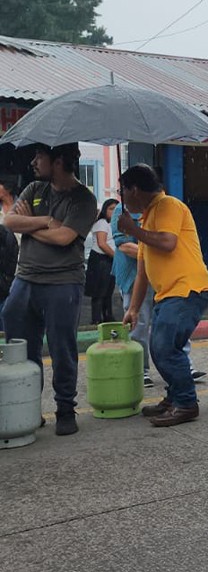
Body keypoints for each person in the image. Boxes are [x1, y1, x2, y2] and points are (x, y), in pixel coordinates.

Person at [2, 144, 98, 436]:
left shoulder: (84, 199)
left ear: (58, 161)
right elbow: (10, 220)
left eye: (39, 156)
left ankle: (65, 408)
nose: (33, 162)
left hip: (62, 282)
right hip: (25, 278)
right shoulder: (34, 188)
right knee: (20, 349)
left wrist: (30, 226)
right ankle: (29, 409)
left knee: (62, 348)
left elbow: (64, 237)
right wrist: (44, 220)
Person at [119, 164, 208, 427]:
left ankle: (185, 403)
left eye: (122, 190)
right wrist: (134, 308)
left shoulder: (169, 205)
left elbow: (168, 242)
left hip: (186, 289)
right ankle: (175, 397)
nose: (121, 196)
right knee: (161, 349)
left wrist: (132, 230)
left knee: (164, 347)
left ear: (133, 189)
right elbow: (142, 272)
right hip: (169, 293)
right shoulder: (148, 217)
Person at [110, 201, 154, 388]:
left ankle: (186, 365)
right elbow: (124, 245)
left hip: (159, 272)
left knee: (170, 316)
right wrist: (155, 252)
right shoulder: (121, 211)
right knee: (138, 321)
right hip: (132, 274)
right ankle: (140, 369)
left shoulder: (160, 208)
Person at [84, 198, 118, 324]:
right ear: (105, 210)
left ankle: (108, 317)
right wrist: (116, 257)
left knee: (108, 290)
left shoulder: (113, 224)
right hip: (100, 260)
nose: (114, 212)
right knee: (99, 292)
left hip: (109, 260)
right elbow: (102, 244)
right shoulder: (102, 223)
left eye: (116, 209)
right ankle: (96, 320)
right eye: (111, 209)